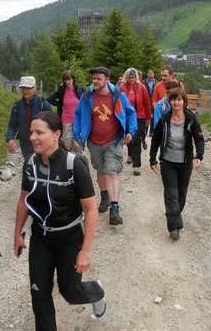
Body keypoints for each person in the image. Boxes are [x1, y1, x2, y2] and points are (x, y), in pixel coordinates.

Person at [14, 112, 106, 330]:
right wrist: (17, 233)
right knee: (39, 294)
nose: (33, 137)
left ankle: (96, 291)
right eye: (31, 132)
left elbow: (91, 209)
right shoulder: (30, 164)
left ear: (56, 135)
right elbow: (23, 200)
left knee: (71, 292)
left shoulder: (74, 165)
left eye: (39, 133)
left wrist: (85, 251)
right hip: (41, 237)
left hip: (69, 238)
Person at [73, 66, 137, 225]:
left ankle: (114, 209)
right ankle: (104, 196)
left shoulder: (117, 95)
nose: (95, 81)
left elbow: (130, 112)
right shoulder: (87, 96)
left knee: (112, 172)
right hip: (94, 141)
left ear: (107, 80)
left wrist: (131, 131)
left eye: (98, 78)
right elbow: (78, 114)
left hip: (113, 141)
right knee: (101, 171)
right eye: (93, 78)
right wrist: (77, 135)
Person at [149, 89, 205, 240]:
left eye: (179, 100)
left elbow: (199, 138)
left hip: (185, 162)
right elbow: (155, 140)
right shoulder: (164, 119)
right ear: (169, 102)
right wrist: (152, 159)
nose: (176, 103)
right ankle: (174, 227)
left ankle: (174, 214)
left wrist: (199, 156)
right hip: (168, 162)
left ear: (184, 102)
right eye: (173, 100)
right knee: (171, 193)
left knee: (181, 194)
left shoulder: (191, 119)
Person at [6, 76, 52, 160]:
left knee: (42, 168)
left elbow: (52, 125)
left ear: (35, 88)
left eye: (28, 88)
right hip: (25, 144)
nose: (25, 91)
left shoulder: (43, 105)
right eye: (23, 88)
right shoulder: (17, 106)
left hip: (41, 143)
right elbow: (12, 124)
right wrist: (10, 138)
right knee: (30, 167)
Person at [119, 67, 152, 176]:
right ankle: (130, 154)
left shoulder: (142, 88)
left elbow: (147, 103)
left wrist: (148, 118)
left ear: (136, 77)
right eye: (130, 77)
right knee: (128, 137)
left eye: (133, 77)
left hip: (139, 117)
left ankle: (136, 165)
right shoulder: (121, 88)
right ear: (126, 78)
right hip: (126, 117)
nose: (131, 79)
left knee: (137, 139)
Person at [47, 70, 85, 153]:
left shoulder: (79, 89)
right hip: (65, 120)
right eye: (65, 80)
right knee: (66, 143)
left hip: (78, 120)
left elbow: (87, 101)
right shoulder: (62, 90)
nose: (67, 82)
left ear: (73, 79)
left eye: (69, 79)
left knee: (77, 144)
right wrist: (60, 106)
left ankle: (79, 162)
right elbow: (50, 99)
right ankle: (67, 162)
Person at [142, 70, 158, 137]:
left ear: (153, 75)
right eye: (149, 73)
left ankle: (152, 131)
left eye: (151, 73)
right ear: (147, 74)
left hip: (154, 100)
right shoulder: (144, 82)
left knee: (153, 116)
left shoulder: (156, 82)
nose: (150, 74)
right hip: (146, 99)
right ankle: (145, 130)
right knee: (146, 115)